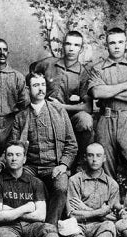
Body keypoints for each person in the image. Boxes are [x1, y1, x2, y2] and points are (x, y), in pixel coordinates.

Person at [0, 140, 88, 237]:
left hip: (32, 226)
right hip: (9, 227)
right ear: (6, 159)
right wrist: (27, 207)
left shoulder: (36, 182)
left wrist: (8, 211)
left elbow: (40, 216)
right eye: (10, 155)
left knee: (48, 228)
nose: (14, 159)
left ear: (24, 159)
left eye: (18, 155)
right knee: (1, 235)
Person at [8, 72, 78, 226]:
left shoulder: (59, 111)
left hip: (55, 165)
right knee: (18, 183)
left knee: (60, 187)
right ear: (27, 89)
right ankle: (27, 228)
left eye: (43, 85)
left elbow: (71, 144)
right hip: (30, 166)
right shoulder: (21, 117)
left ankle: (50, 228)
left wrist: (63, 165)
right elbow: (13, 147)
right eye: (35, 85)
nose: (40, 89)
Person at [87, 27, 127, 184]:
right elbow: (97, 93)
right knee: (103, 168)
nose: (117, 46)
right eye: (112, 42)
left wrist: (109, 91)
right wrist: (126, 85)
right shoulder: (98, 69)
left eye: (120, 42)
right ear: (107, 45)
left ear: (126, 44)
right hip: (105, 120)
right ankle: (108, 206)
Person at [31, 31, 93, 171]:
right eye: (68, 44)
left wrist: (62, 107)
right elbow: (30, 80)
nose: (71, 48)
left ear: (81, 49)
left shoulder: (83, 74)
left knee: (85, 120)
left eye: (76, 45)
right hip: (45, 116)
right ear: (62, 45)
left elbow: (88, 107)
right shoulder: (48, 64)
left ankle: (80, 165)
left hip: (69, 118)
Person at [64, 143, 123, 237]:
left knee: (109, 225)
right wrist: (100, 212)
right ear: (85, 157)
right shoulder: (75, 180)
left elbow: (112, 217)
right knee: (67, 226)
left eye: (98, 155)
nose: (95, 159)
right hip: (79, 226)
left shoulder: (112, 185)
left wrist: (85, 209)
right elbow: (72, 214)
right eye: (91, 155)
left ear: (104, 158)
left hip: (99, 226)